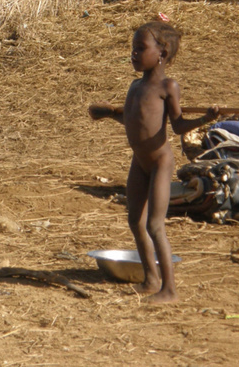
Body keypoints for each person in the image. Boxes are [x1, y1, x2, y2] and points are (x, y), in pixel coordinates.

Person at [89, 19, 219, 303]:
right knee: (135, 220)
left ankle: (169, 290)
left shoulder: (168, 86)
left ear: (162, 52)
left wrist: (206, 119)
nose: (133, 54)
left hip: (160, 161)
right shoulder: (135, 86)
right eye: (132, 48)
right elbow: (133, 117)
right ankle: (151, 279)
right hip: (140, 161)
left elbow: (179, 125)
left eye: (140, 48)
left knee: (155, 225)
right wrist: (109, 113)